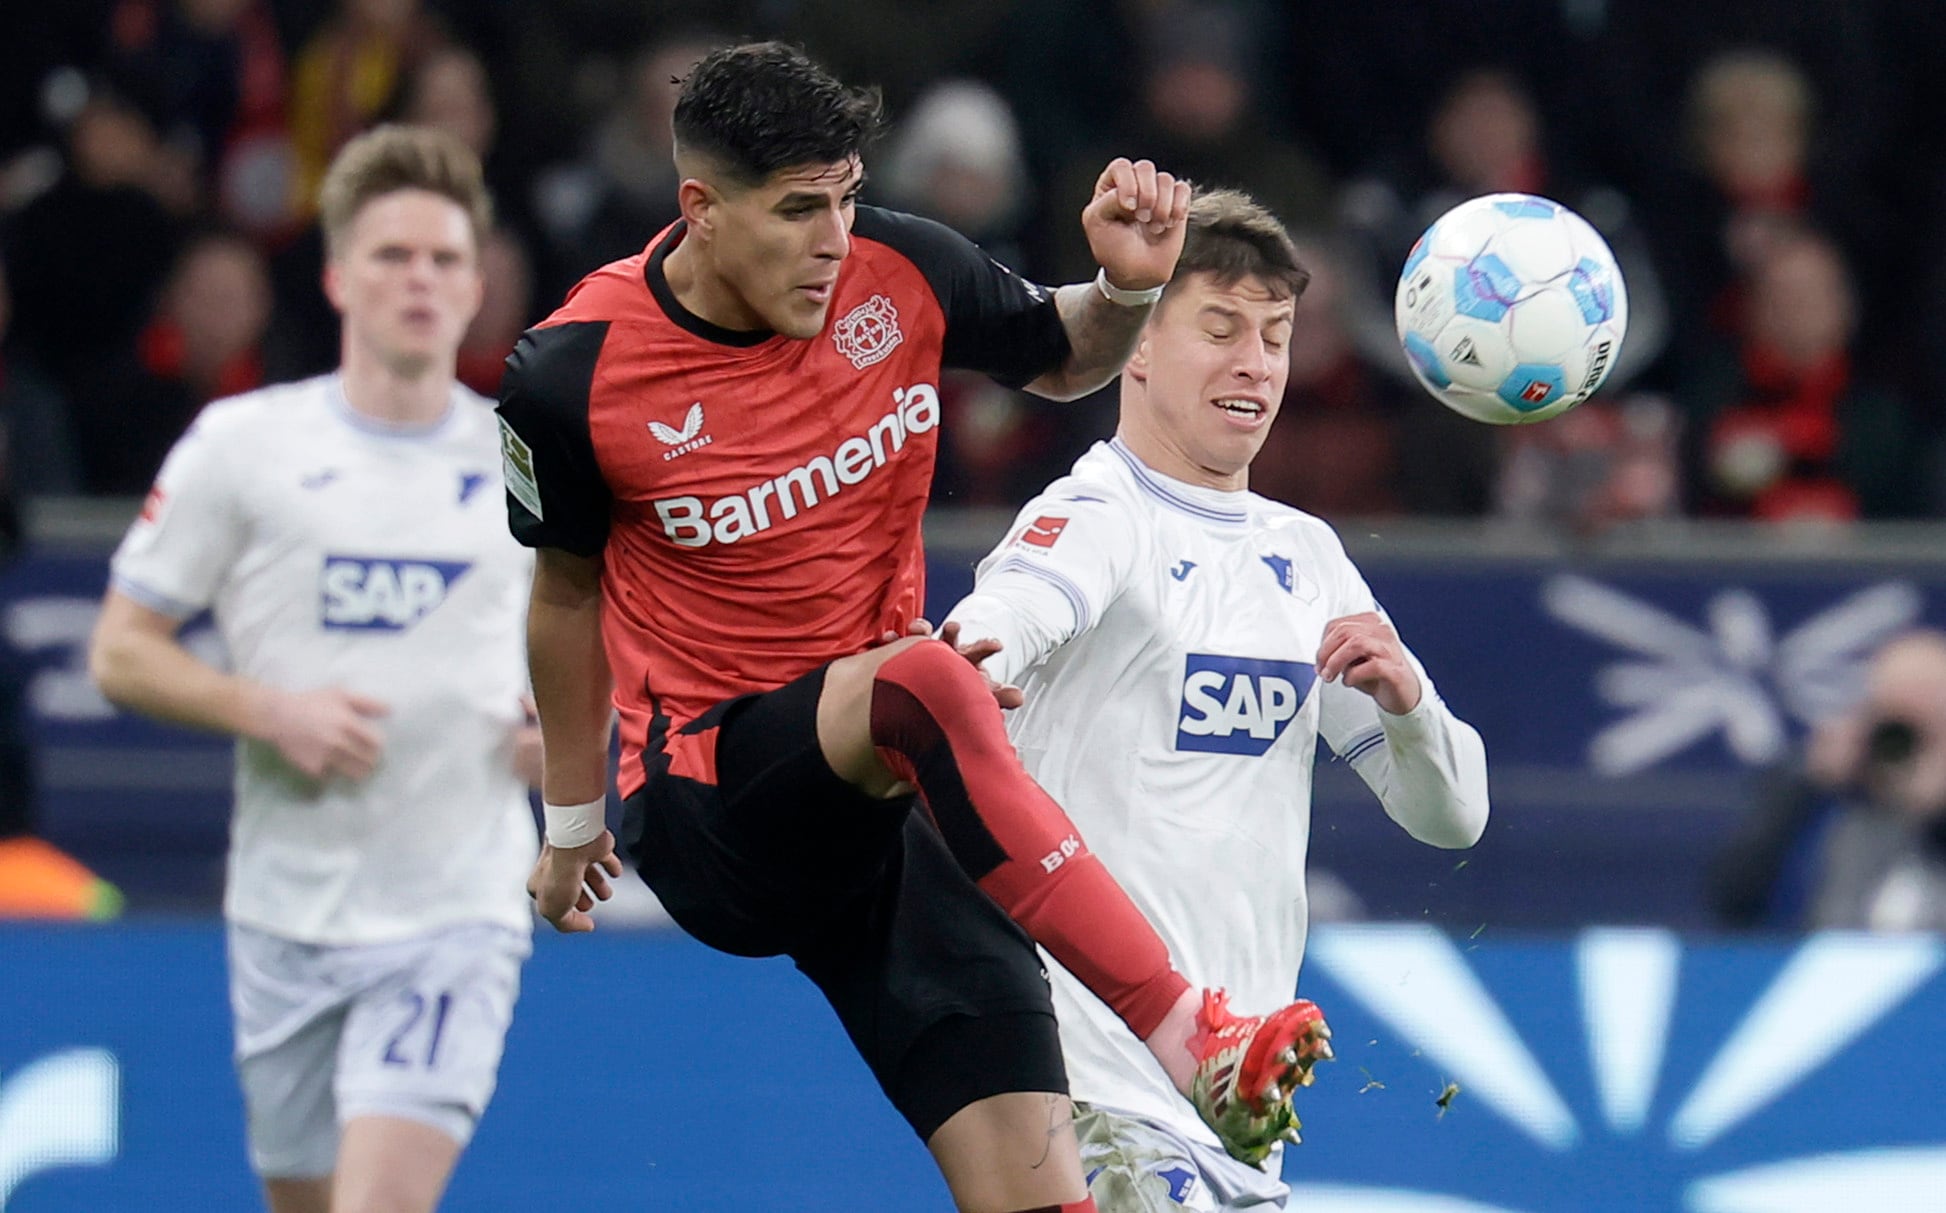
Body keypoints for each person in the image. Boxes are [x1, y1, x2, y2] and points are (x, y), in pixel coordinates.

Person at [496, 41, 1329, 1213]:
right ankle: (1191, 1032)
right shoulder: (570, 373)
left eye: (845, 198)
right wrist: (572, 822)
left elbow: (1062, 356)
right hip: (714, 798)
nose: (833, 240)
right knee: (927, 679)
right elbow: (564, 593)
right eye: (798, 210)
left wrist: (1127, 290)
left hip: (884, 805)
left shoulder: (901, 270)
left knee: (1039, 1186)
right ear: (702, 209)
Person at [944, 189, 1490, 1210]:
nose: (1256, 363)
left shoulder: (1305, 555)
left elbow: (1452, 815)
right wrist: (974, 659)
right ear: (1138, 348)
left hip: (1234, 1110)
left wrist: (1408, 703)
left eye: (1275, 337)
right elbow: (995, 624)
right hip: (1091, 1087)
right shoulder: (1097, 513)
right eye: (1221, 327)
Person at [88, 125, 540, 1213]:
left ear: (475, 284)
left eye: (444, 258)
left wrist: (571, 730)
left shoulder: (524, 462)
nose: (420, 279)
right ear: (338, 276)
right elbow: (120, 650)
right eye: (392, 255)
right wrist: (268, 710)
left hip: (455, 908)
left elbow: (604, 639)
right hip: (285, 908)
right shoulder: (243, 446)